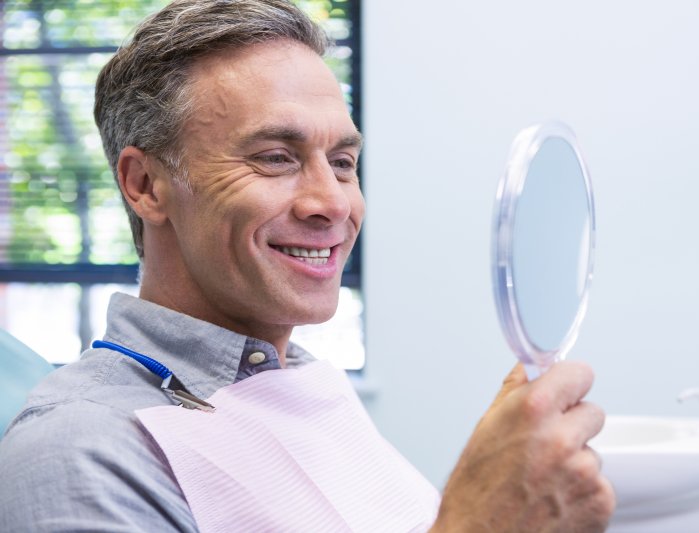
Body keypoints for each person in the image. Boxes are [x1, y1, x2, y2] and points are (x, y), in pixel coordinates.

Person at [0, 1, 615, 531]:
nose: (332, 203)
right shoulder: (77, 450)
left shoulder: (304, 386)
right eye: (274, 158)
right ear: (145, 185)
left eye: (343, 163)